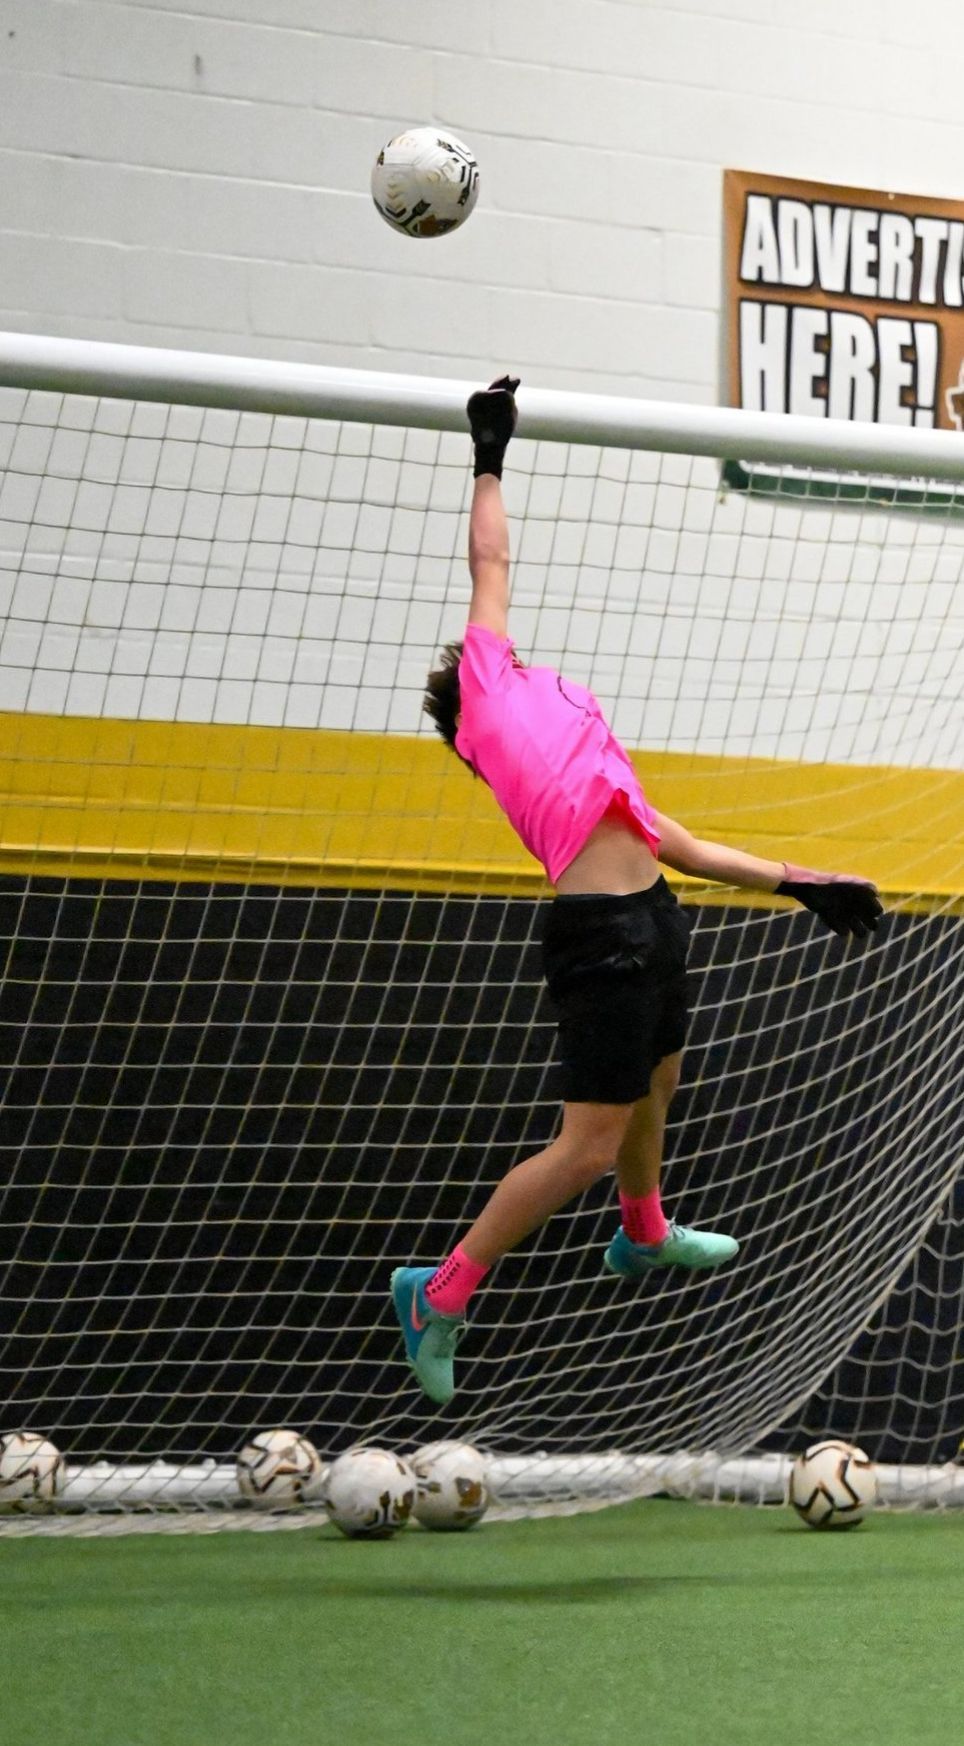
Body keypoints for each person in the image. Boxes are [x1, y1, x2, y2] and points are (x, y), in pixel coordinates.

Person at [391, 375, 883, 1406]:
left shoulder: (583, 734)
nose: (505, 646)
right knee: (586, 1147)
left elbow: (682, 844)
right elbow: (490, 562)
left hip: (653, 915)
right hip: (600, 935)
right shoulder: (487, 698)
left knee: (659, 1084)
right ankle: (439, 1293)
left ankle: (644, 1232)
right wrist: (489, 457)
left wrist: (803, 883)